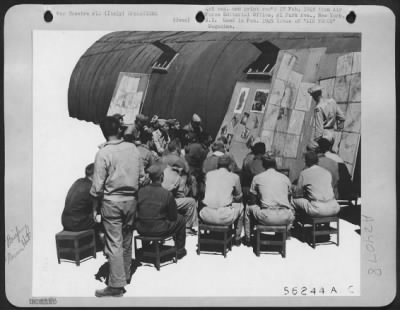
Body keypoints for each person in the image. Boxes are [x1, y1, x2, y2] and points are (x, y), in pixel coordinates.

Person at [91, 116, 143, 298]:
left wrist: (95, 208)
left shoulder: (103, 154)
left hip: (112, 202)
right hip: (131, 202)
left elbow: (97, 187)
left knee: (114, 243)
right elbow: (142, 177)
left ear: (104, 132)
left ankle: (116, 285)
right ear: (120, 130)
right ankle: (126, 274)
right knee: (127, 239)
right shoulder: (133, 149)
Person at [136, 163, 187, 259]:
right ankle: (180, 250)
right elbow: (173, 217)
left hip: (142, 228)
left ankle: (146, 247)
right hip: (159, 229)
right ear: (162, 177)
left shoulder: (141, 191)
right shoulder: (166, 194)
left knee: (148, 218)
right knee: (181, 219)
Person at [243, 154, 295, 245]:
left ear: (263, 165)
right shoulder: (285, 178)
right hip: (285, 216)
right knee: (292, 206)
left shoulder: (257, 178)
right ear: (275, 164)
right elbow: (289, 198)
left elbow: (252, 200)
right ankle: (286, 233)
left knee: (248, 208)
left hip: (267, 216)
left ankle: (248, 239)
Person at [199, 155, 244, 245]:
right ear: (230, 165)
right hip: (224, 217)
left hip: (206, 215)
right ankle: (237, 237)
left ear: (217, 165)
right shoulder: (235, 177)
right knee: (241, 206)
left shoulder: (209, 174)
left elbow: (203, 192)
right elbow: (239, 196)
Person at [292, 151, 340, 217]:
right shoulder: (327, 172)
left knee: (293, 200)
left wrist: (293, 187)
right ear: (317, 161)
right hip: (334, 207)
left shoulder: (304, 173)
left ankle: (294, 223)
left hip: (318, 209)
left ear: (306, 162)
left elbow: (298, 193)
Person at [61, 163, 100, 233]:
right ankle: (100, 243)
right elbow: (101, 204)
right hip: (77, 224)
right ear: (94, 175)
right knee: (108, 217)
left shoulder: (78, 181)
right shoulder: (91, 187)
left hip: (65, 222)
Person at [162, 162, 198, 235]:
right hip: (168, 202)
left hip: (162, 200)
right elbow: (181, 194)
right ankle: (187, 228)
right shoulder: (179, 177)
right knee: (191, 202)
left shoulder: (165, 172)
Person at [308, 85, 346, 150]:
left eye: (312, 96)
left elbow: (319, 129)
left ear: (314, 96)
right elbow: (342, 117)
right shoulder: (332, 101)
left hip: (324, 137)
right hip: (333, 135)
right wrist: (339, 127)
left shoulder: (318, 108)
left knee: (311, 149)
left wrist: (317, 143)